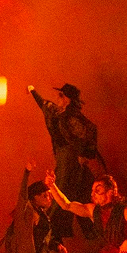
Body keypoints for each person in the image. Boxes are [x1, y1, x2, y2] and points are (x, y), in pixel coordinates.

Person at [27, 83, 103, 239]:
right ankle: (83, 231)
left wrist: (84, 154)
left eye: (61, 96)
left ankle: (53, 228)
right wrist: (33, 90)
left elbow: (90, 131)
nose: (58, 98)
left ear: (68, 99)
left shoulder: (73, 116)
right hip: (63, 155)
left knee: (64, 188)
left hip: (70, 156)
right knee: (76, 190)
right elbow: (44, 104)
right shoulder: (57, 112)